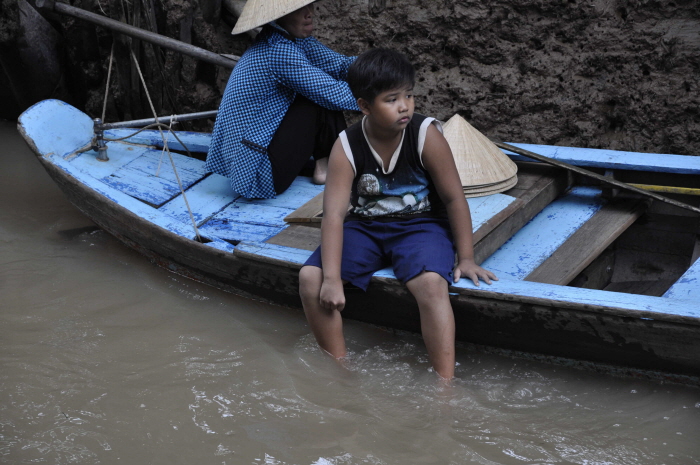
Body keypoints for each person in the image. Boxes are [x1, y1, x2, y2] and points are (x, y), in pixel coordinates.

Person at [298, 48, 498, 379]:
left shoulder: (425, 135)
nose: (404, 105)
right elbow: (333, 216)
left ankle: (444, 384)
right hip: (364, 228)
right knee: (310, 279)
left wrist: (466, 258)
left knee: (432, 284)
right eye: (391, 99)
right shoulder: (346, 146)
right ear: (364, 106)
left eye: (408, 95)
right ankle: (339, 369)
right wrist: (332, 280)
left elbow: (453, 199)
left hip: (421, 227)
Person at [206, 0, 359, 199]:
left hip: (252, 160)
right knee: (321, 97)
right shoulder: (278, 50)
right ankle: (328, 166)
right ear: (280, 16)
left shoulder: (293, 40)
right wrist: (381, 99)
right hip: (257, 176)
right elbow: (336, 95)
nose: (309, 13)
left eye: (309, 6)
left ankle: (325, 164)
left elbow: (341, 65)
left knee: (319, 90)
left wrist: (381, 65)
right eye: (298, 9)